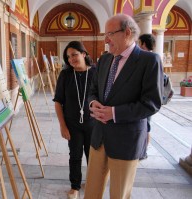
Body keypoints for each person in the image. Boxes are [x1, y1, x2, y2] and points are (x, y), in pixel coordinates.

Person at [84, 14, 164, 199]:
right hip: (99, 137)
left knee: (119, 194)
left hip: (126, 139)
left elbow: (152, 103)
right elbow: (93, 90)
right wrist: (92, 102)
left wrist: (114, 113)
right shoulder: (104, 60)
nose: (106, 39)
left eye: (110, 33)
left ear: (127, 32)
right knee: (91, 192)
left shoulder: (149, 61)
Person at [53, 41, 95, 199]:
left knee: (93, 156)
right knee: (75, 155)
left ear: (84, 54)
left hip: (93, 124)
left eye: (74, 55)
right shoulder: (65, 75)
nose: (71, 59)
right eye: (68, 57)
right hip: (72, 124)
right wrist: (62, 126)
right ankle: (75, 186)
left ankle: (91, 182)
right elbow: (58, 102)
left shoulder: (95, 73)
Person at [138, 33, 156, 160]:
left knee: (146, 125)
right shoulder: (153, 57)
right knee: (147, 125)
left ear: (143, 43)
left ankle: (143, 151)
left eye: (139, 43)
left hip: (145, 100)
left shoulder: (150, 58)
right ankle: (143, 151)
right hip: (147, 101)